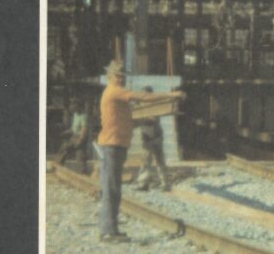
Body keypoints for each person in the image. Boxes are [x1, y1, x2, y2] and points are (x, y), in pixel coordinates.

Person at [96, 60, 184, 242]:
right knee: (111, 189)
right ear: (110, 76)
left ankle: (112, 230)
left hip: (116, 145)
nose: (121, 79)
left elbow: (126, 120)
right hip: (113, 146)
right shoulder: (115, 91)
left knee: (114, 189)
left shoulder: (116, 95)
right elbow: (142, 97)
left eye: (123, 76)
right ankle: (108, 232)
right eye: (118, 76)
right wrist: (171, 94)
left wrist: (137, 123)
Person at [135, 87, 170, 192]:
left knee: (158, 160)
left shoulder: (154, 105)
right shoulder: (142, 105)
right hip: (147, 135)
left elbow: (154, 118)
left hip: (155, 136)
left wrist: (142, 117)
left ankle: (165, 184)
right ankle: (144, 184)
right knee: (146, 161)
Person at [54, 100, 90, 173]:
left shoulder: (83, 116)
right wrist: (64, 133)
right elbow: (74, 129)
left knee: (69, 149)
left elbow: (84, 129)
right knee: (72, 150)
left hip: (80, 137)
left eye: (74, 106)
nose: (72, 108)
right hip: (74, 136)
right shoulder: (75, 115)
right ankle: (58, 165)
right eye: (72, 106)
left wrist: (80, 140)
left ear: (79, 107)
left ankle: (82, 171)